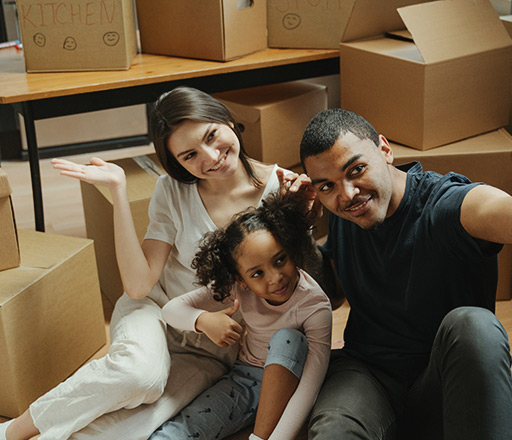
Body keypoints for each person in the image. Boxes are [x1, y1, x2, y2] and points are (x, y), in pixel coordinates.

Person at [291, 108, 512, 439]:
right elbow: (333, 294)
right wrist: (300, 229)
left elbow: (508, 213)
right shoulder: (348, 211)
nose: (346, 194)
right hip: (369, 375)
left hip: (445, 384)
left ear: (385, 150)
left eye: (356, 169)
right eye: (327, 186)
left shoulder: (444, 205)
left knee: (474, 326)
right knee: (334, 429)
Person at [0, 87, 305, 440]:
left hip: (212, 348)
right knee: (140, 375)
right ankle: (11, 431)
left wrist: (300, 213)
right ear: (178, 163)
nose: (210, 157)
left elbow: (295, 286)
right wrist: (118, 191)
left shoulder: (283, 187)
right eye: (190, 155)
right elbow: (139, 285)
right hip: (155, 310)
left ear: (227, 120)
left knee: (133, 428)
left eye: (211, 136)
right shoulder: (172, 190)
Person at [149, 192, 331, 440]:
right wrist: (203, 320)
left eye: (280, 260)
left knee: (288, 338)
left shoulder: (316, 305)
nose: (275, 277)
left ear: (290, 249)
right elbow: (170, 310)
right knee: (178, 431)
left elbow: (309, 387)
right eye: (256, 273)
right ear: (240, 279)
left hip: (293, 388)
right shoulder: (237, 289)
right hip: (245, 379)